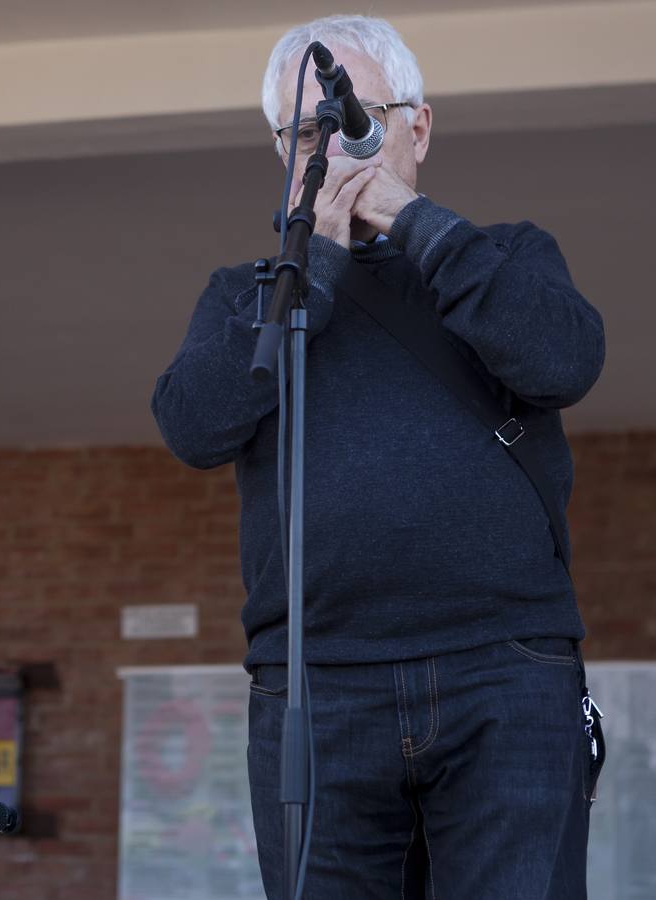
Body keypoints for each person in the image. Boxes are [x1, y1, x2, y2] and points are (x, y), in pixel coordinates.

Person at [151, 15, 604, 899]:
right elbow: (193, 429)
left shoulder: (506, 255)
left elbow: (562, 362)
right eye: (308, 131)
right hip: (315, 683)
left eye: (356, 117)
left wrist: (411, 221)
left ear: (417, 128)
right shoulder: (244, 294)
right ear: (280, 151)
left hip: (503, 668)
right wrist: (312, 261)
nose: (335, 145)